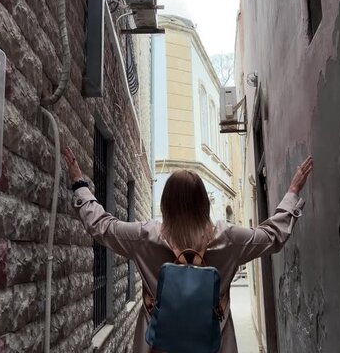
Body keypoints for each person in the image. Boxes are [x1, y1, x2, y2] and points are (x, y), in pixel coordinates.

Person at [64, 147, 313, 353]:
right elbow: (272, 236)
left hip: (157, 347)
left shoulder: (145, 236)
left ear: (166, 203)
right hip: (214, 346)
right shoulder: (228, 238)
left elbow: (102, 226)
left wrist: (79, 184)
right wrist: (292, 193)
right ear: (204, 202)